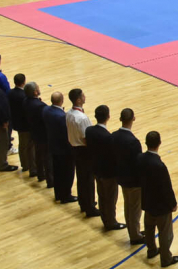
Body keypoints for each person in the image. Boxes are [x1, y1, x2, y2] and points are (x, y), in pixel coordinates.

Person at [136, 130, 178, 267]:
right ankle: (166, 259)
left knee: (149, 229)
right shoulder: (159, 166)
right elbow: (166, 188)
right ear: (159, 143)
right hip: (160, 206)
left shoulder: (140, 158)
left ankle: (151, 250)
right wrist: (172, 204)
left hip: (147, 201)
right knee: (165, 233)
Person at [85, 105, 125, 231]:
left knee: (101, 195)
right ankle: (111, 222)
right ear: (108, 116)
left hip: (96, 169)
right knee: (110, 198)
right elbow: (113, 156)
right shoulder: (108, 137)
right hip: (108, 173)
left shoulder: (89, 130)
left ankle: (105, 218)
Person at [112, 108, 145, 245]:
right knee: (135, 209)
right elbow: (138, 163)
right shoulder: (133, 142)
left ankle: (134, 230)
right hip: (133, 180)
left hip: (121, 176)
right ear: (133, 119)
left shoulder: (114, 135)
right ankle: (135, 235)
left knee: (128, 206)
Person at [65, 88, 97, 218]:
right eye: (83, 96)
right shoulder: (82, 118)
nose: (85, 97)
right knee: (88, 179)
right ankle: (90, 207)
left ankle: (83, 203)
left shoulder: (68, 113)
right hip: (83, 150)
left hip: (74, 148)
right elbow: (86, 138)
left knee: (81, 178)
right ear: (78, 99)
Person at [43, 91, 76, 203]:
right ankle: (66, 195)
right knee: (67, 173)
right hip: (64, 150)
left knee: (57, 172)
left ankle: (58, 194)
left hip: (53, 146)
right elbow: (66, 134)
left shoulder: (46, 110)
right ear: (62, 101)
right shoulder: (62, 116)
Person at [23, 82, 51, 185]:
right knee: (47, 157)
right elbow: (46, 117)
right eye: (38, 88)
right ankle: (50, 180)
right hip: (43, 134)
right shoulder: (39, 105)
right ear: (35, 92)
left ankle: (40, 175)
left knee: (38, 155)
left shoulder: (26, 101)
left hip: (34, 131)